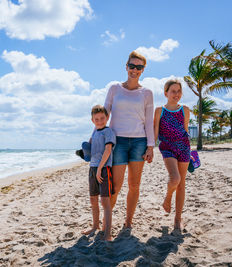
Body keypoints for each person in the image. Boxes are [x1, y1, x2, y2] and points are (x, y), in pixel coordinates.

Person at [104, 51, 154, 229]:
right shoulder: (114, 88)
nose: (135, 70)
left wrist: (150, 146)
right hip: (118, 142)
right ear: (126, 67)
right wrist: (96, 135)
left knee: (134, 185)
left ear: (143, 70)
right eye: (132, 66)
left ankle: (128, 221)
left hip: (139, 142)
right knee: (116, 186)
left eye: (139, 67)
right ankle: (107, 223)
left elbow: (148, 120)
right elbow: (105, 114)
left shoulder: (147, 93)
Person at [153, 79, 190, 230]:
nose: (176, 94)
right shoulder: (160, 111)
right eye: (173, 91)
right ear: (166, 93)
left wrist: (190, 151)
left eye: (179, 91)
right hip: (167, 147)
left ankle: (177, 219)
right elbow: (155, 132)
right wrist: (149, 149)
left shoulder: (185, 110)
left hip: (184, 148)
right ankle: (168, 197)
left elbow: (185, 130)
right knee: (175, 178)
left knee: (181, 184)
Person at [81, 105, 116, 241]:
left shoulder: (108, 132)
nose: (100, 121)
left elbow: (107, 151)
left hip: (104, 169)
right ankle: (95, 226)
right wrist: (84, 152)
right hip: (92, 168)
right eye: (97, 119)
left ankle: (107, 233)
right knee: (93, 200)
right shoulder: (95, 131)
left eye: (102, 118)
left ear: (107, 118)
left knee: (105, 202)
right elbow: (89, 147)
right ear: (92, 120)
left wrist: (100, 168)